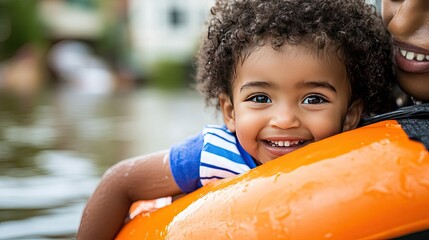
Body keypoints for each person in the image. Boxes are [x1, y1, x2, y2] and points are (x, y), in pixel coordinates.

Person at [77, 0, 396, 239]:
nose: (284, 120)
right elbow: (119, 181)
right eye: (260, 98)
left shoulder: (358, 157)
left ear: (351, 114)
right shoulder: (212, 155)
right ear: (230, 112)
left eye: (313, 99)